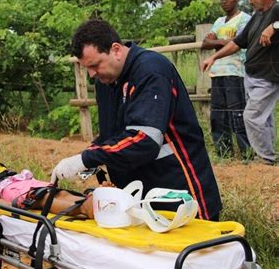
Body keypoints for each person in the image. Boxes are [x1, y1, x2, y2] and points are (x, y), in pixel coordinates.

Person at [51, 19, 222, 221]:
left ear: (116, 49)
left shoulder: (150, 71)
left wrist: (87, 158)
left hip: (179, 194)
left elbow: (144, 140)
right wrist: (88, 155)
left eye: (95, 65)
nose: (92, 74)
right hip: (139, 195)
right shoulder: (106, 81)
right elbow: (113, 134)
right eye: (87, 68)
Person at [202, 0, 279, 166]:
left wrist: (274, 26)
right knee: (264, 118)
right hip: (252, 74)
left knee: (251, 116)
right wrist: (214, 57)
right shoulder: (257, 15)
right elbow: (237, 43)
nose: (250, 1)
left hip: (268, 74)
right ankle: (269, 157)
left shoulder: (276, 10)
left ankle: (265, 159)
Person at [201, 0, 252, 159]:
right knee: (218, 117)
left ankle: (247, 154)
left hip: (236, 71)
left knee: (237, 115)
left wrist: (224, 41)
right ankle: (224, 154)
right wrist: (227, 41)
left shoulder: (245, 19)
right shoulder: (218, 21)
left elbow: (240, 41)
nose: (224, 1)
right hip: (217, 73)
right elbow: (206, 43)